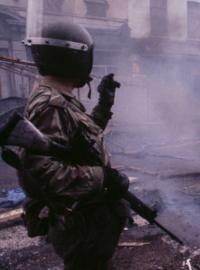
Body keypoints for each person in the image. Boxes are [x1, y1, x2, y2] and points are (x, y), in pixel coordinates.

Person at [18, 21, 130, 269]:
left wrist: (104, 104)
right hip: (79, 226)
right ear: (73, 58)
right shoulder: (51, 105)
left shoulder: (58, 98)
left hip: (85, 222)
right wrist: (103, 177)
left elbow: (81, 143)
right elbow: (44, 172)